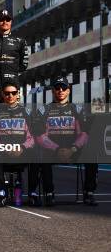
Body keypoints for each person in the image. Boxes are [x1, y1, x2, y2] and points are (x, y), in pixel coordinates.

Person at [35, 76, 97, 206]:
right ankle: (49, 193)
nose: (60, 90)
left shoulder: (78, 109)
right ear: (53, 91)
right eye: (57, 88)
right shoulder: (43, 110)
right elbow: (40, 136)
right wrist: (56, 149)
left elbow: (84, 133)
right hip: (52, 150)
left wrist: (73, 148)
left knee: (91, 152)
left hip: (73, 150)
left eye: (64, 88)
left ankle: (89, 193)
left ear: (68, 90)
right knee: (41, 155)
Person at [0, 82, 38, 207]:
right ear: (2, 95)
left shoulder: (27, 112)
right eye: (7, 93)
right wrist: (5, 148)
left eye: (13, 93)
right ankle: (2, 193)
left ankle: (32, 193)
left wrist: (22, 147)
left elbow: (32, 137)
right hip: (3, 151)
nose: (10, 95)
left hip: (22, 151)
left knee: (37, 155)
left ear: (18, 95)